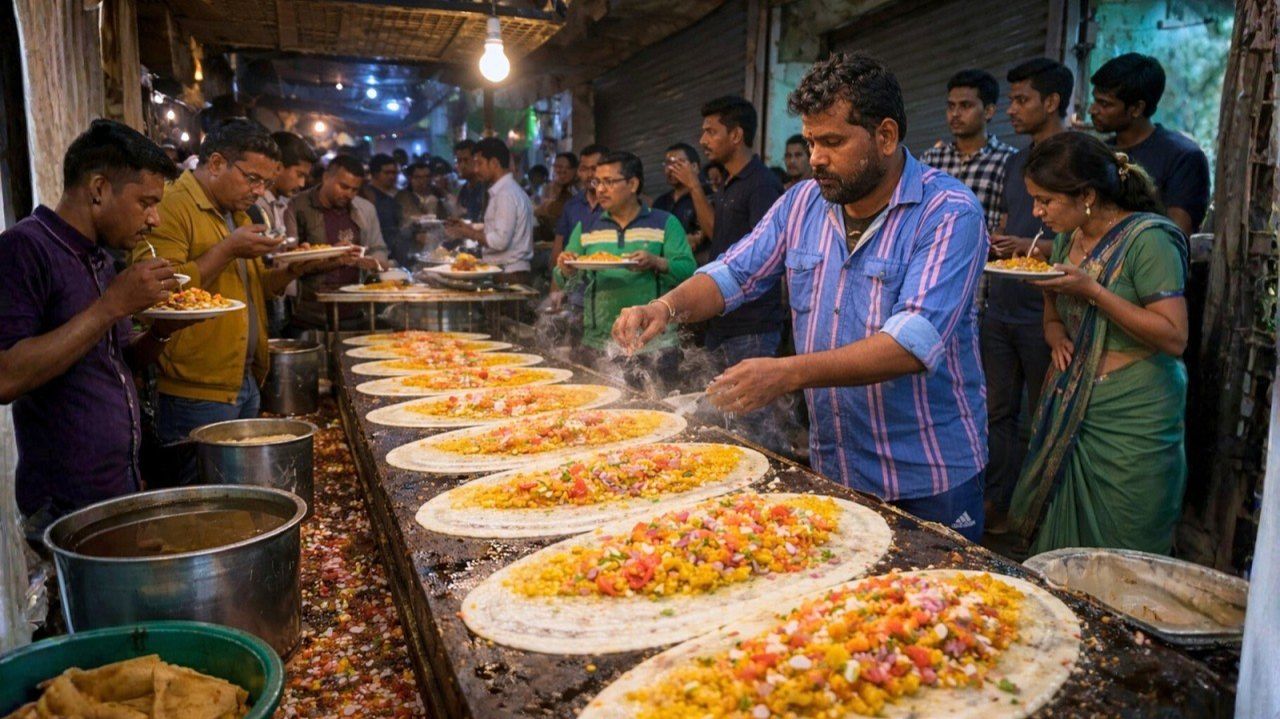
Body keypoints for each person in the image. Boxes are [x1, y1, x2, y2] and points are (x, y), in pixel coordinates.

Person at [613, 53, 989, 540]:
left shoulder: (949, 213)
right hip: (837, 464)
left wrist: (787, 373)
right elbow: (732, 273)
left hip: (928, 474)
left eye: (832, 141)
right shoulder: (802, 202)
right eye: (811, 141)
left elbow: (911, 343)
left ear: (886, 136)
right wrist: (664, 307)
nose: (815, 158)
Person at [131, 120, 355, 483]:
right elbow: (159, 293)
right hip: (195, 390)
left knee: (234, 497)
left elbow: (254, 289)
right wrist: (228, 249)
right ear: (217, 163)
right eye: (252, 179)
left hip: (245, 380)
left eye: (265, 183)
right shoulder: (172, 206)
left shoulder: (235, 213)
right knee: (200, 504)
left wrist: (301, 267)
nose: (259, 191)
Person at [0, 120, 191, 528]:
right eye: (146, 202)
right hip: (65, 503)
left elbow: (114, 362)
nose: (155, 219)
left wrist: (161, 331)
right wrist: (112, 305)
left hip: (117, 485)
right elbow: (6, 377)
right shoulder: (25, 248)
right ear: (99, 189)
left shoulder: (101, 259)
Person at [1008, 132, 1188, 554]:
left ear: (1086, 194)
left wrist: (1094, 291)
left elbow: (1174, 336)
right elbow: (1054, 310)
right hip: (1073, 398)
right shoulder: (1070, 238)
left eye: (1045, 201)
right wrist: (1055, 338)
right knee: (1060, 544)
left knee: (1125, 538)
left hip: (1133, 416)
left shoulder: (1150, 240)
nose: (1036, 212)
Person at [983, 58, 1073, 532]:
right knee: (997, 410)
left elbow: (1093, 239)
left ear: (1052, 102)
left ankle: (1036, 514)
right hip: (1001, 305)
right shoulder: (1015, 160)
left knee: (1044, 414)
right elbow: (1006, 219)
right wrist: (998, 242)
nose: (1011, 110)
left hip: (1048, 313)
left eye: (1022, 100)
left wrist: (1034, 248)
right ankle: (997, 507)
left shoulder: (1077, 157)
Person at [554, 151, 695, 386]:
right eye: (596, 182)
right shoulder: (587, 227)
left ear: (632, 184)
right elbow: (562, 280)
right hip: (600, 344)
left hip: (654, 345)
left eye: (609, 182)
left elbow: (689, 271)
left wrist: (657, 262)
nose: (600, 189)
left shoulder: (664, 223)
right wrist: (565, 267)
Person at [694, 95, 786, 389]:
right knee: (719, 414)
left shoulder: (762, 184)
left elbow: (767, 254)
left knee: (750, 421)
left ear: (736, 135)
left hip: (752, 328)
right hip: (722, 320)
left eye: (711, 131)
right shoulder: (729, 181)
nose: (702, 140)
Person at [1089, 53, 1210, 235]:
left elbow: (1175, 235)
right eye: (1095, 100)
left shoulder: (1183, 157)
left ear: (1136, 108)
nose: (1093, 110)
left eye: (1105, 104)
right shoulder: (1099, 153)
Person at [286, 154, 391, 328]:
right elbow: (290, 260)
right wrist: (334, 257)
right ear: (326, 177)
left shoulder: (365, 209)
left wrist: (373, 262)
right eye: (343, 187)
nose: (349, 194)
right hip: (311, 313)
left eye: (354, 190)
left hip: (355, 311)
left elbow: (378, 248)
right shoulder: (298, 206)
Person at [919, 69, 1016, 234]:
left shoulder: (1008, 161)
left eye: (965, 106)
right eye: (951, 106)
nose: (955, 114)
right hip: (931, 255)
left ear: (989, 111)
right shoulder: (931, 160)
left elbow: (1008, 224)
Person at [444, 138, 534, 283]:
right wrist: (467, 227)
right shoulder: (504, 191)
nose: (476, 169)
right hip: (505, 272)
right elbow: (497, 229)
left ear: (494, 163)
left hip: (509, 275)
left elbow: (500, 241)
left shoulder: (506, 194)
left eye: (479, 163)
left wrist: (469, 233)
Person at [550, 144, 608, 330]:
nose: (590, 175)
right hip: (575, 288)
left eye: (595, 168)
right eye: (584, 169)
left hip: (606, 290)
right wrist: (555, 291)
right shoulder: (572, 206)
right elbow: (558, 250)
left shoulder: (614, 206)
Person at [653, 143, 710, 260]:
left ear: (694, 167)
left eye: (677, 163)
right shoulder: (660, 202)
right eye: (667, 164)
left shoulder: (708, 196)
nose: (670, 169)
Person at [255, 131, 316, 231]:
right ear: (278, 167)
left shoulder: (284, 203)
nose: (302, 184)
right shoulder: (254, 203)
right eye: (299, 175)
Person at [364, 153, 410, 266]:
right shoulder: (367, 196)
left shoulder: (399, 194)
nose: (392, 176)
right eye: (387, 173)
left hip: (398, 253)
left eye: (394, 173)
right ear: (375, 174)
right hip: (377, 253)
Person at [534, 152, 577, 246]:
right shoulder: (547, 189)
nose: (560, 171)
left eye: (565, 168)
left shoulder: (575, 192)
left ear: (574, 171)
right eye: (556, 167)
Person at [454, 139, 487, 222]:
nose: (462, 165)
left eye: (465, 160)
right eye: (459, 161)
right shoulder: (463, 190)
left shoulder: (486, 189)